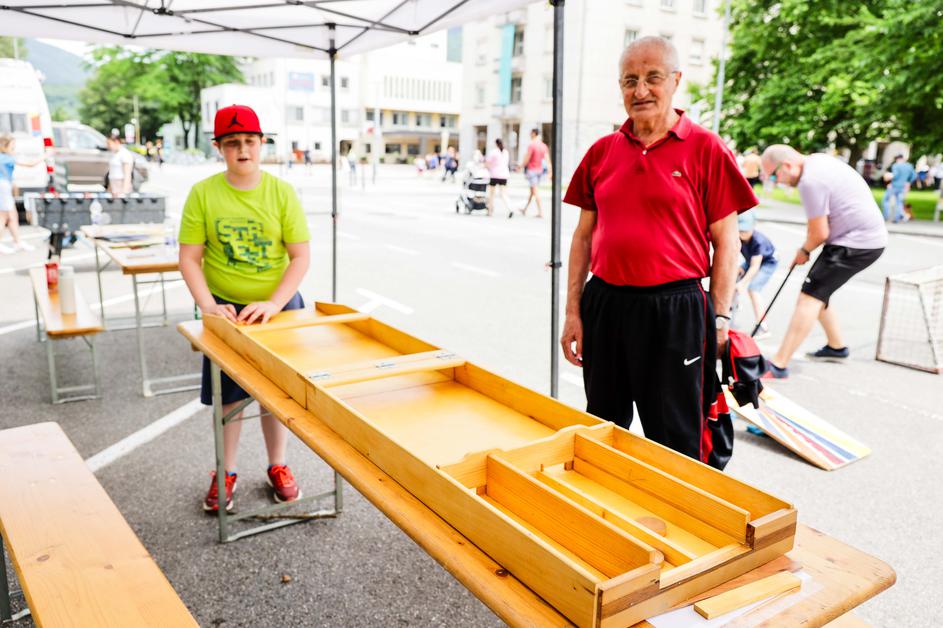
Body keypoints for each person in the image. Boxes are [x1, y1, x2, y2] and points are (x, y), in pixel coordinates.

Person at [560, 36, 756, 466]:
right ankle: (606, 499)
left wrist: (720, 318)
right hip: (606, 303)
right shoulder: (602, 151)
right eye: (630, 80)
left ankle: (675, 506)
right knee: (602, 425)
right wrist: (573, 312)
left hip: (676, 308)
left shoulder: (706, 148)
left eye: (653, 78)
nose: (641, 90)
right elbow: (582, 238)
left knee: (675, 434)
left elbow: (727, 243)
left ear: (676, 80)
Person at [178, 104, 311, 512]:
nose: (242, 149)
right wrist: (208, 306)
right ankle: (226, 470)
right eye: (232, 142)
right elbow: (189, 258)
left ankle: (278, 464)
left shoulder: (281, 192)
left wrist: (273, 302)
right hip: (226, 310)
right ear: (218, 147)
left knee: (277, 397)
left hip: (279, 307)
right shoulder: (203, 193)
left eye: (250, 141)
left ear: (262, 143)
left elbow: (300, 256)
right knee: (230, 398)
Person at [759, 145, 887, 378]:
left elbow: (819, 233)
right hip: (863, 239)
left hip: (855, 243)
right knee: (819, 291)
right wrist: (806, 249)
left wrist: (804, 251)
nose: (778, 182)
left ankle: (778, 365)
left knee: (809, 297)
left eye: (775, 175)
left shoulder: (810, 181)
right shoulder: (817, 162)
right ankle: (837, 347)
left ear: (787, 165)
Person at [735, 210, 778, 338]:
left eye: (745, 230)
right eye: (740, 230)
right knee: (734, 274)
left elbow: (755, 266)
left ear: (753, 227)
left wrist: (742, 284)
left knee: (753, 289)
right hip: (751, 260)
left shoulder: (758, 241)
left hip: (767, 262)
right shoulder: (738, 237)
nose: (742, 233)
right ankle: (733, 306)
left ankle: (763, 326)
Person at [0, 134, 40, 253]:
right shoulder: (6, 158)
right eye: (12, 147)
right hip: (3, 188)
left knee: (13, 215)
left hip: (4, 187)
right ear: (4, 146)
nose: (14, 150)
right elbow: (31, 164)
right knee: (3, 216)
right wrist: (46, 155)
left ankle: (18, 241)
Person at [517, 128, 551, 218]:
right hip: (540, 171)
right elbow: (547, 160)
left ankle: (541, 212)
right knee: (532, 191)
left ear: (534, 134)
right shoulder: (543, 146)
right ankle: (525, 209)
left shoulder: (532, 145)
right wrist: (550, 171)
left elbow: (527, 158)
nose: (530, 135)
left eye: (531, 133)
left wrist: (520, 166)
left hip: (532, 171)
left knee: (535, 192)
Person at [881, 154, 915, 223]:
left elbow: (895, 175)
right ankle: (897, 218)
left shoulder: (896, 165)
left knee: (885, 200)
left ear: (897, 159)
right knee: (899, 202)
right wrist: (908, 182)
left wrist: (889, 177)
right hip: (903, 187)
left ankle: (886, 216)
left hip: (894, 186)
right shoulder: (909, 166)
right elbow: (914, 175)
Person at [484, 138, 511, 217]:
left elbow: (487, 163)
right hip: (504, 175)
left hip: (495, 175)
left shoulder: (494, 152)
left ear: (496, 144)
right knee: (503, 194)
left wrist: (487, 168)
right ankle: (510, 208)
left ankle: (490, 211)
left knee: (491, 194)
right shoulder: (506, 152)